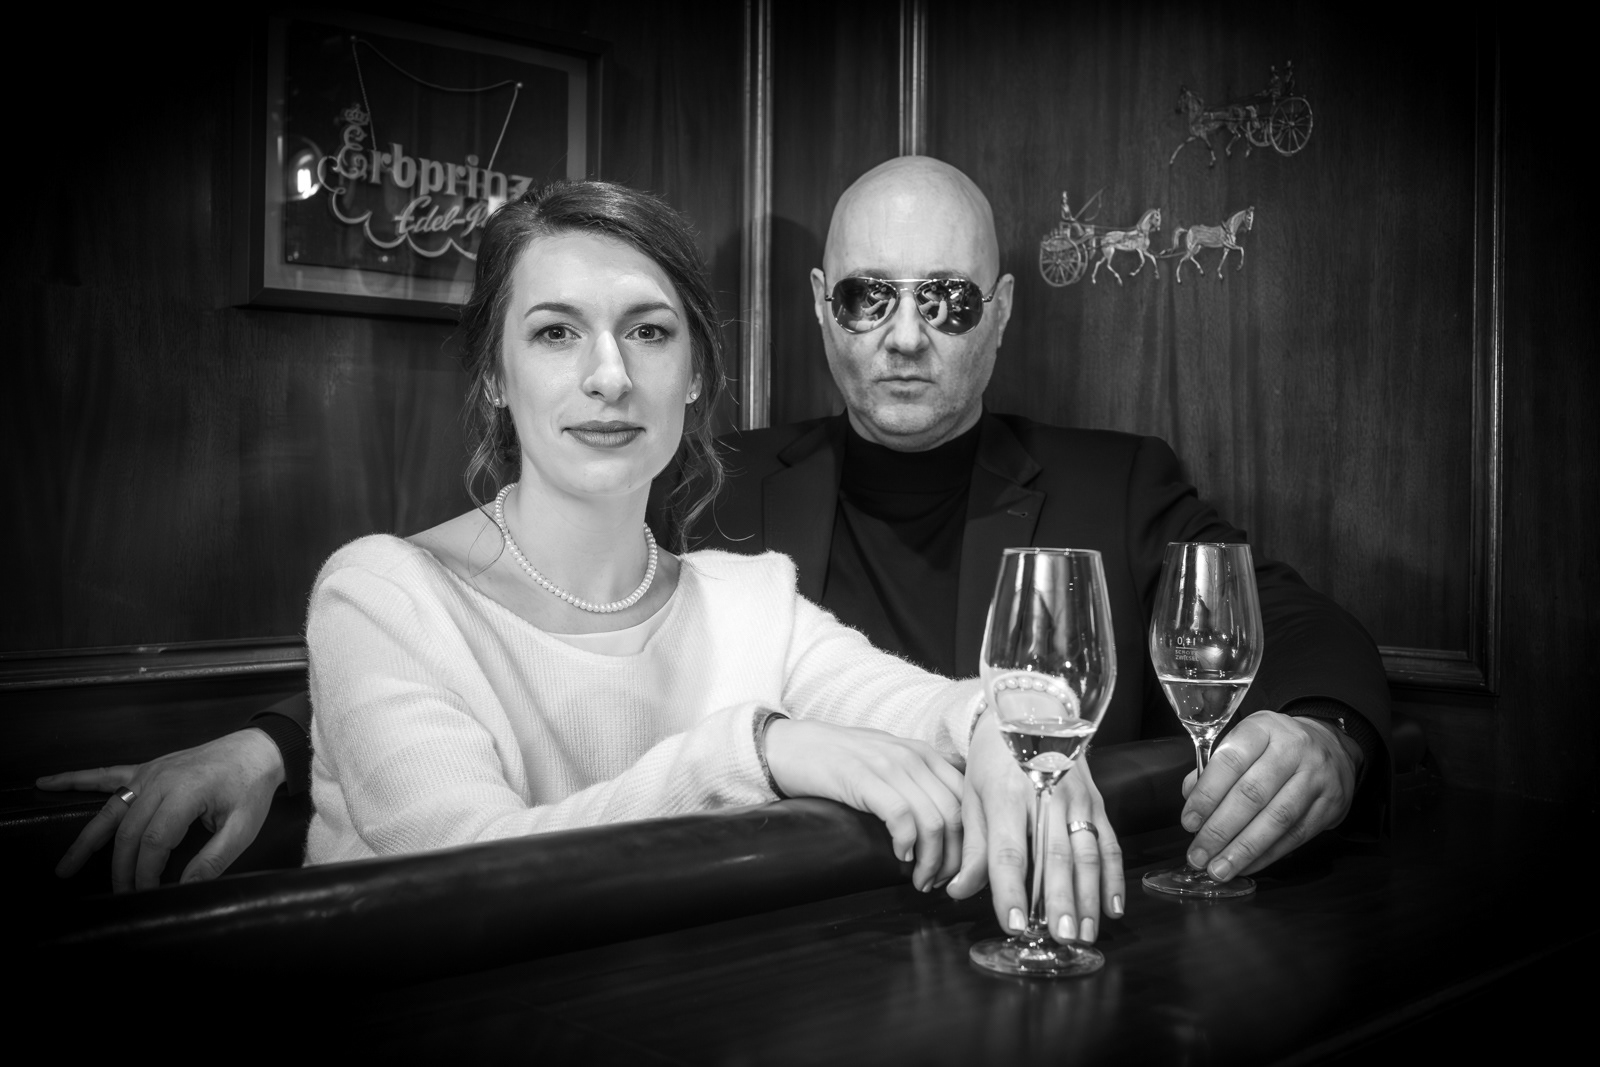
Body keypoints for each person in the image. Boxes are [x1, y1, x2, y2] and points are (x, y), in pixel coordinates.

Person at [46, 157, 1388, 944]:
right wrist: (280, 742)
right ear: (821, 309)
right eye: (868, 296)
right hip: (748, 949)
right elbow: (511, 625)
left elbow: (1282, 625)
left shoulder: (1114, 483)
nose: (904, 335)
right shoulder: (714, 486)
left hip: (1006, 939)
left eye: (944, 300)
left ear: (998, 315)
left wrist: (1325, 735)